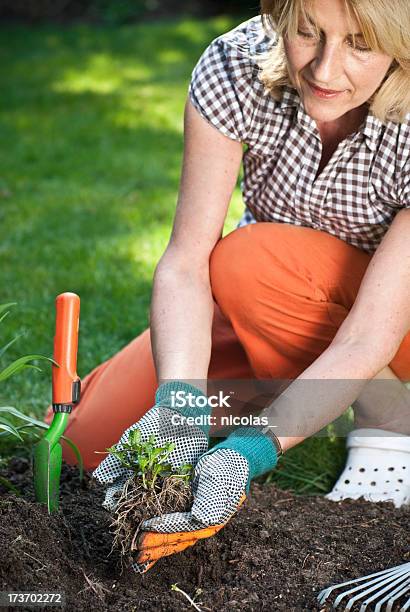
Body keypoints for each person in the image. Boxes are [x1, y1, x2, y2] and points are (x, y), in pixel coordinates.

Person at [45, 0, 410, 573]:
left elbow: (368, 338)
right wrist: (179, 404)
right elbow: (187, 263)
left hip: (390, 325)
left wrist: (249, 450)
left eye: (360, 44)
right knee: (83, 445)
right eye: (307, 32)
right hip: (270, 306)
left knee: (248, 261)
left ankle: (392, 423)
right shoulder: (236, 65)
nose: (323, 69)